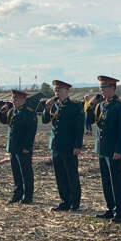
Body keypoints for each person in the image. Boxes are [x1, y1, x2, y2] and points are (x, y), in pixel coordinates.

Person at [86, 76, 121, 223]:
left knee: (116, 181)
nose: (102, 91)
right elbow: (91, 121)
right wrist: (90, 106)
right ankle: (110, 208)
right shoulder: (101, 105)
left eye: (104, 88)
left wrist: (119, 149)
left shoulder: (120, 106)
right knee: (106, 181)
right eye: (101, 88)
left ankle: (120, 211)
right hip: (102, 149)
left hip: (113, 150)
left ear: (112, 88)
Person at [42, 80, 84, 212]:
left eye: (59, 90)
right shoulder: (55, 106)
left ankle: (75, 203)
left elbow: (79, 128)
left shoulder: (75, 107)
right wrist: (47, 108)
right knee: (60, 176)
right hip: (56, 146)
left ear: (66, 91)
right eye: (55, 90)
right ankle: (65, 201)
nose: (57, 93)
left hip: (69, 147)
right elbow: (45, 120)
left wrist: (77, 145)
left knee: (71, 176)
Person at [0, 89, 37, 204]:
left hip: (23, 147)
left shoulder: (29, 112)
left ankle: (27, 196)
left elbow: (31, 132)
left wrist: (27, 146)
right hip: (13, 146)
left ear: (23, 99)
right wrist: (1, 112)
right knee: (16, 172)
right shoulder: (13, 111)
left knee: (26, 173)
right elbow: (5, 122)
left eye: (16, 98)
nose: (13, 101)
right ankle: (17, 194)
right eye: (13, 98)